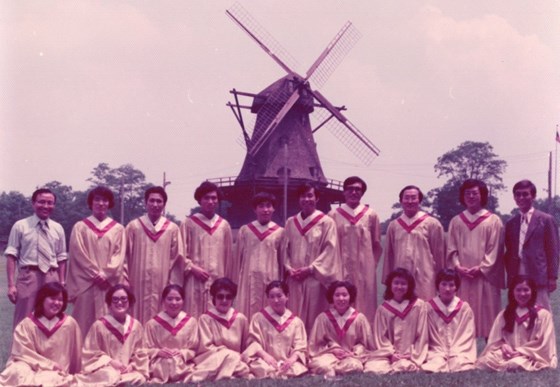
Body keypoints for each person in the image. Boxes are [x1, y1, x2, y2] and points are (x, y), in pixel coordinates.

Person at [66, 186, 126, 336]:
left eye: (105, 200)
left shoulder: (118, 229)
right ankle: (81, 357)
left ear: (109, 203)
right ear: (91, 202)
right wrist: (96, 274)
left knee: (109, 323)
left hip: (108, 285)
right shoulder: (80, 227)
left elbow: (119, 255)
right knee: (83, 324)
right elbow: (77, 254)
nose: (101, 203)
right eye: (97, 199)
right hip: (86, 284)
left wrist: (106, 274)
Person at [4, 188, 67, 329]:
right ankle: (20, 351)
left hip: (52, 276)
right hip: (28, 277)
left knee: (51, 319)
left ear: (54, 205)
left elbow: (62, 257)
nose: (46, 206)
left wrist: (62, 282)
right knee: (23, 320)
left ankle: (48, 351)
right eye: (41, 202)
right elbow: (11, 255)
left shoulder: (58, 228)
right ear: (33, 203)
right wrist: (11, 285)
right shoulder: (21, 226)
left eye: (50, 203)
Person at [282, 182, 341, 332]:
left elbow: (330, 250)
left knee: (314, 317)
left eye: (310, 195)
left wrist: (310, 269)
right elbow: (285, 249)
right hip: (294, 280)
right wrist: (288, 268)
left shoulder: (327, 222)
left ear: (317, 198)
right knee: (293, 317)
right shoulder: (290, 222)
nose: (306, 199)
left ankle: (314, 345)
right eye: (303, 196)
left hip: (315, 279)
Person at [0, 282, 82, 386]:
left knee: (52, 378)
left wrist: (75, 374)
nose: (57, 302)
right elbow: (22, 354)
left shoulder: (69, 324)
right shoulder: (27, 324)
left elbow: (76, 355)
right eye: (52, 298)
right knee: (15, 371)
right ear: (42, 299)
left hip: (57, 371)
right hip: (30, 366)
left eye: (60, 299)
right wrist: (48, 365)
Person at [124, 186, 185, 324]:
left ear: (164, 205)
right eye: (151, 201)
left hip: (163, 283)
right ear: (145, 203)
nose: (155, 204)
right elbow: (125, 255)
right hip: (137, 283)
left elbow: (177, 259)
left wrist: (173, 286)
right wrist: (124, 278)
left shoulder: (172, 229)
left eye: (159, 201)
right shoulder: (134, 227)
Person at [329, 176, 382, 322]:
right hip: (340, 268)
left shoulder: (371, 215)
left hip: (365, 269)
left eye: (358, 189)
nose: (354, 192)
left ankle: (366, 335)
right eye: (350, 189)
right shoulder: (333, 215)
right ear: (344, 192)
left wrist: (370, 266)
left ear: (362, 193)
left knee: (366, 301)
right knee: (341, 299)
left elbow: (376, 245)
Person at [476, 275, 557, 371]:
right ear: (512, 292)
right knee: (484, 361)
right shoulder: (505, 313)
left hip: (530, 355)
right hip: (507, 353)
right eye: (518, 290)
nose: (522, 294)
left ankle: (509, 364)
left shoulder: (543, 315)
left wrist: (521, 351)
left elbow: (544, 343)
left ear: (533, 292)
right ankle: (506, 364)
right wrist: (503, 346)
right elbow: (495, 339)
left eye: (526, 290)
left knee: (515, 364)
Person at [504, 179, 559, 310]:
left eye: (525, 194)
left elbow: (553, 251)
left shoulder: (546, 220)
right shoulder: (511, 223)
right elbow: (509, 250)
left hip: (538, 273)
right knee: (518, 310)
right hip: (516, 272)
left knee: (541, 310)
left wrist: (552, 277)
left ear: (533, 196)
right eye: (517, 194)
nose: (521, 198)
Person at [181, 181, 233, 317]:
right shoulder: (189, 223)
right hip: (194, 279)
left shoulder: (224, 226)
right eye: (206, 198)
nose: (210, 201)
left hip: (218, 279)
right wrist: (192, 268)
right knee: (194, 314)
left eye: (214, 198)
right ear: (199, 200)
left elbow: (228, 257)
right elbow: (180, 253)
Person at [384, 185, 445, 301]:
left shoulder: (432, 224)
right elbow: (389, 255)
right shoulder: (394, 226)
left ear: (420, 200)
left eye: (413, 198)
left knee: (425, 308)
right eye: (406, 198)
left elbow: (439, 254)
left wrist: (440, 278)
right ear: (401, 201)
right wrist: (389, 279)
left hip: (425, 276)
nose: (410, 201)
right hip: (400, 279)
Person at [81, 284, 149, 385]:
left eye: (124, 299)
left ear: (129, 302)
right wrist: (110, 362)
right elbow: (90, 353)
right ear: (109, 304)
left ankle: (116, 383)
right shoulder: (99, 326)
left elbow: (141, 351)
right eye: (115, 300)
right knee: (110, 375)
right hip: (106, 369)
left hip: (128, 371)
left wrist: (133, 365)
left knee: (140, 378)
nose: (120, 302)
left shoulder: (136, 326)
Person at [364, 268, 428, 374]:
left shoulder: (419, 306)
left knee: (406, 366)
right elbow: (380, 337)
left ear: (409, 286)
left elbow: (422, 334)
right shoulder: (383, 309)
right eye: (396, 283)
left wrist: (413, 354)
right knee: (373, 368)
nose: (399, 287)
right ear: (390, 285)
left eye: (403, 284)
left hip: (413, 353)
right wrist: (391, 354)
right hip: (390, 355)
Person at [188, 277, 251, 382]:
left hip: (237, 360)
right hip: (214, 359)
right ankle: (229, 372)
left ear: (232, 299)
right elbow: (206, 347)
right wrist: (230, 353)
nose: (224, 300)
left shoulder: (241, 318)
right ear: (214, 298)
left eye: (228, 297)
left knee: (244, 366)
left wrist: (242, 356)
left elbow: (246, 346)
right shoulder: (206, 319)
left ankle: (228, 371)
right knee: (232, 358)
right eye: (220, 297)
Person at [243, 280, 308, 378]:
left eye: (279, 296)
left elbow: (300, 346)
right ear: (267, 298)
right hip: (265, 360)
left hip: (287, 361)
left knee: (297, 368)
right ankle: (274, 372)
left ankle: (278, 371)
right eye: (271, 297)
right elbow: (254, 343)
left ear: (287, 296)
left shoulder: (296, 321)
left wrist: (291, 360)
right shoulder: (259, 318)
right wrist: (266, 357)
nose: (276, 300)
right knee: (261, 367)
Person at [234, 192, 284, 319]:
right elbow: (237, 260)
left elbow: (282, 260)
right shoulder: (245, 230)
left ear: (273, 208)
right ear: (255, 209)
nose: (265, 210)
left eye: (269, 206)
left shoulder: (280, 232)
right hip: (248, 279)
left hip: (271, 278)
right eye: (261, 206)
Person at [308, 280, 373, 377]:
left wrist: (354, 352)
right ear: (332, 297)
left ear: (350, 296)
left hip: (350, 357)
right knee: (321, 364)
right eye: (337, 295)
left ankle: (332, 372)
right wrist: (332, 350)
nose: (341, 298)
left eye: (344, 295)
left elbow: (364, 343)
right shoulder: (323, 318)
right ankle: (335, 370)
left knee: (355, 366)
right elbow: (316, 344)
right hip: (328, 356)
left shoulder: (359, 318)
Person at [421, 268, 476, 373]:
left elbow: (467, 334)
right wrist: (441, 351)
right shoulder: (429, 307)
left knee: (460, 363)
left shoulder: (464, 308)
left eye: (451, 285)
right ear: (438, 286)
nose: (447, 289)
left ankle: (454, 357)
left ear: (456, 287)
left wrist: (454, 351)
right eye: (444, 284)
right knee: (435, 363)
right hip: (435, 350)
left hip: (459, 349)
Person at [144, 284, 199, 383]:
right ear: (163, 301)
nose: (174, 302)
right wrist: (157, 352)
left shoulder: (191, 322)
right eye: (169, 299)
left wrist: (182, 353)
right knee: (167, 361)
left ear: (183, 301)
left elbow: (194, 348)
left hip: (183, 362)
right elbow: (145, 348)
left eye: (178, 299)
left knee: (174, 361)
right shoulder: (152, 324)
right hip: (160, 362)